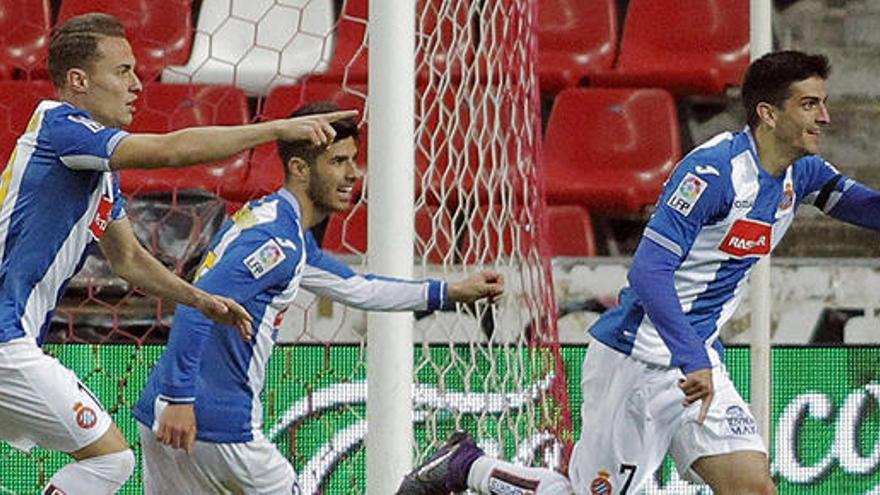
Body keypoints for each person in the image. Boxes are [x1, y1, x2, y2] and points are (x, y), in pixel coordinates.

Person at [399, 50, 880, 495]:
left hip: (696, 363)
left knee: (754, 488)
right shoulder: (714, 175)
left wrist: (696, 358)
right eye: (810, 104)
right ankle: (469, 466)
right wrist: (691, 356)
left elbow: (868, 209)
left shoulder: (805, 173)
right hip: (637, 360)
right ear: (768, 114)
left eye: (824, 103)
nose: (825, 117)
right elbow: (650, 273)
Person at [0, 13, 357, 495]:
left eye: (134, 70)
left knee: (106, 460)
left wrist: (197, 299)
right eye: (122, 72)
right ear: (80, 81)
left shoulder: (98, 171)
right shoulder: (60, 126)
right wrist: (273, 129)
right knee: (109, 461)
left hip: (14, 341)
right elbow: (171, 149)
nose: (136, 84)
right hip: (5, 341)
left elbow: (127, 258)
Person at [132, 100, 506, 494]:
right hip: (214, 425)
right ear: (299, 168)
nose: (352, 175)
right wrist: (179, 398)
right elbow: (198, 303)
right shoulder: (276, 241)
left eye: (353, 160)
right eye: (338, 161)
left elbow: (359, 288)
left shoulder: (276, 224)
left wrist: (452, 292)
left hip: (164, 415)